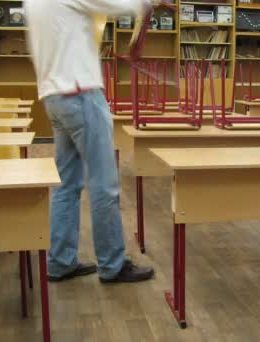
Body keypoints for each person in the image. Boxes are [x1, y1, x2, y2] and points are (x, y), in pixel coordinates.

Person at [25, 0, 154, 283]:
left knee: (66, 185)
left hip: (54, 97)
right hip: (80, 95)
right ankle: (112, 264)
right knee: (104, 186)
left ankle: (60, 262)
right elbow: (123, 5)